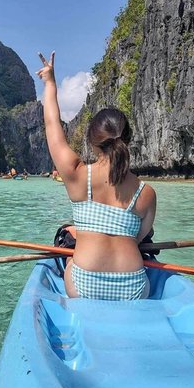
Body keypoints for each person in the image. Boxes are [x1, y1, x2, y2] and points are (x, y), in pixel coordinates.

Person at [37, 51, 156, 300]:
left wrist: (50, 82)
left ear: (92, 143)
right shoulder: (146, 193)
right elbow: (138, 239)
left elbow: (52, 125)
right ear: (128, 140)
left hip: (85, 285)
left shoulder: (77, 175)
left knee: (70, 260)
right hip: (133, 288)